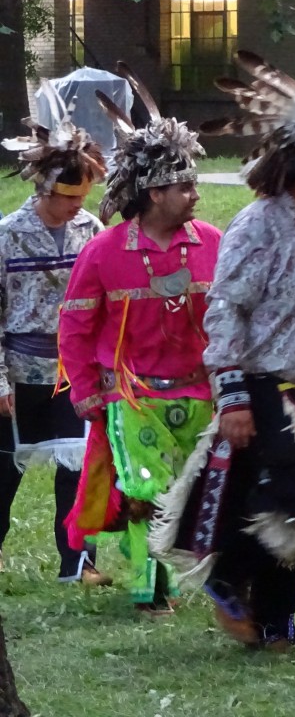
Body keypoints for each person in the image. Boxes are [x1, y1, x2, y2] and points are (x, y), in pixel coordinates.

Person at [152, 51, 295, 652]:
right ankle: (226, 578)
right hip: (271, 388)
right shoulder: (258, 226)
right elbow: (224, 309)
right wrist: (234, 397)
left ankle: (275, 622)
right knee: (294, 504)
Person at [59, 64, 219, 616]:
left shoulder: (213, 244)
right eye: (183, 186)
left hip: (200, 392)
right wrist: (83, 387)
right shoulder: (103, 253)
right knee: (145, 488)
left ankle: (205, 577)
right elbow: (76, 324)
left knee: (194, 490)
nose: (194, 195)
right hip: (133, 395)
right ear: (152, 193)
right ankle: (151, 590)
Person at [0, 84, 111, 585]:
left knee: (78, 469)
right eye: (65, 198)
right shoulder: (6, 235)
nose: (74, 207)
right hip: (19, 370)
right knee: (4, 473)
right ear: (41, 189)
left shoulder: (91, 232)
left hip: (73, 372)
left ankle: (78, 563)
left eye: (81, 197)